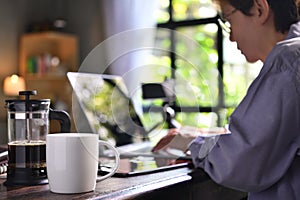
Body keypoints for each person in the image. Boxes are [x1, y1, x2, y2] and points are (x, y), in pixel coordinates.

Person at [152, 0, 300, 199]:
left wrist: (190, 142)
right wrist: (205, 135)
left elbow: (239, 161)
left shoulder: (288, 62)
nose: (230, 37)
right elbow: (270, 138)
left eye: (229, 20)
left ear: (259, 9)